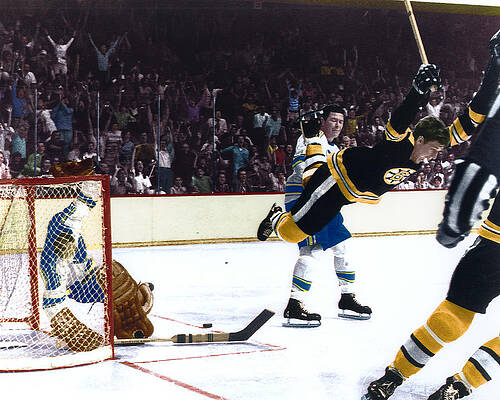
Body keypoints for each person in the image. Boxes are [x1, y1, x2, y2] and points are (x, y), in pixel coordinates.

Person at [258, 32, 500, 246]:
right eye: (433, 149)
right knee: (292, 232)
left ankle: (312, 142)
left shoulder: (431, 143)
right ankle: (279, 211)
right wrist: (418, 91)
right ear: (419, 139)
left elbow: (471, 121)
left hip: (353, 193)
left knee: (311, 182)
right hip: (338, 182)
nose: (435, 155)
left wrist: (494, 66)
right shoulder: (399, 141)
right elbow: (402, 116)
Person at [361, 73, 500, 400]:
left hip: (493, 245)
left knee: (450, 319)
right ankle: (459, 385)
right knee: (451, 320)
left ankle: (395, 377)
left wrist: (494, 72)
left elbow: (481, 159)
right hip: (494, 243)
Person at [281, 105, 372, 327]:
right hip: (306, 200)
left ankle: (347, 297)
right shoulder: (310, 139)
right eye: (333, 120)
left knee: (342, 246)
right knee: (311, 249)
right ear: (322, 121)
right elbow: (305, 172)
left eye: (340, 121)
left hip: (324, 201)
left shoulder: (331, 147)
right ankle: (295, 304)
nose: (337, 125)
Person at [40, 178, 105, 352]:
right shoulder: (51, 265)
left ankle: (120, 307)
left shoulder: (68, 231)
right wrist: (65, 326)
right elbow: (51, 303)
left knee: (111, 275)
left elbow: (79, 210)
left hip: (85, 279)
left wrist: (89, 182)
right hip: (78, 289)